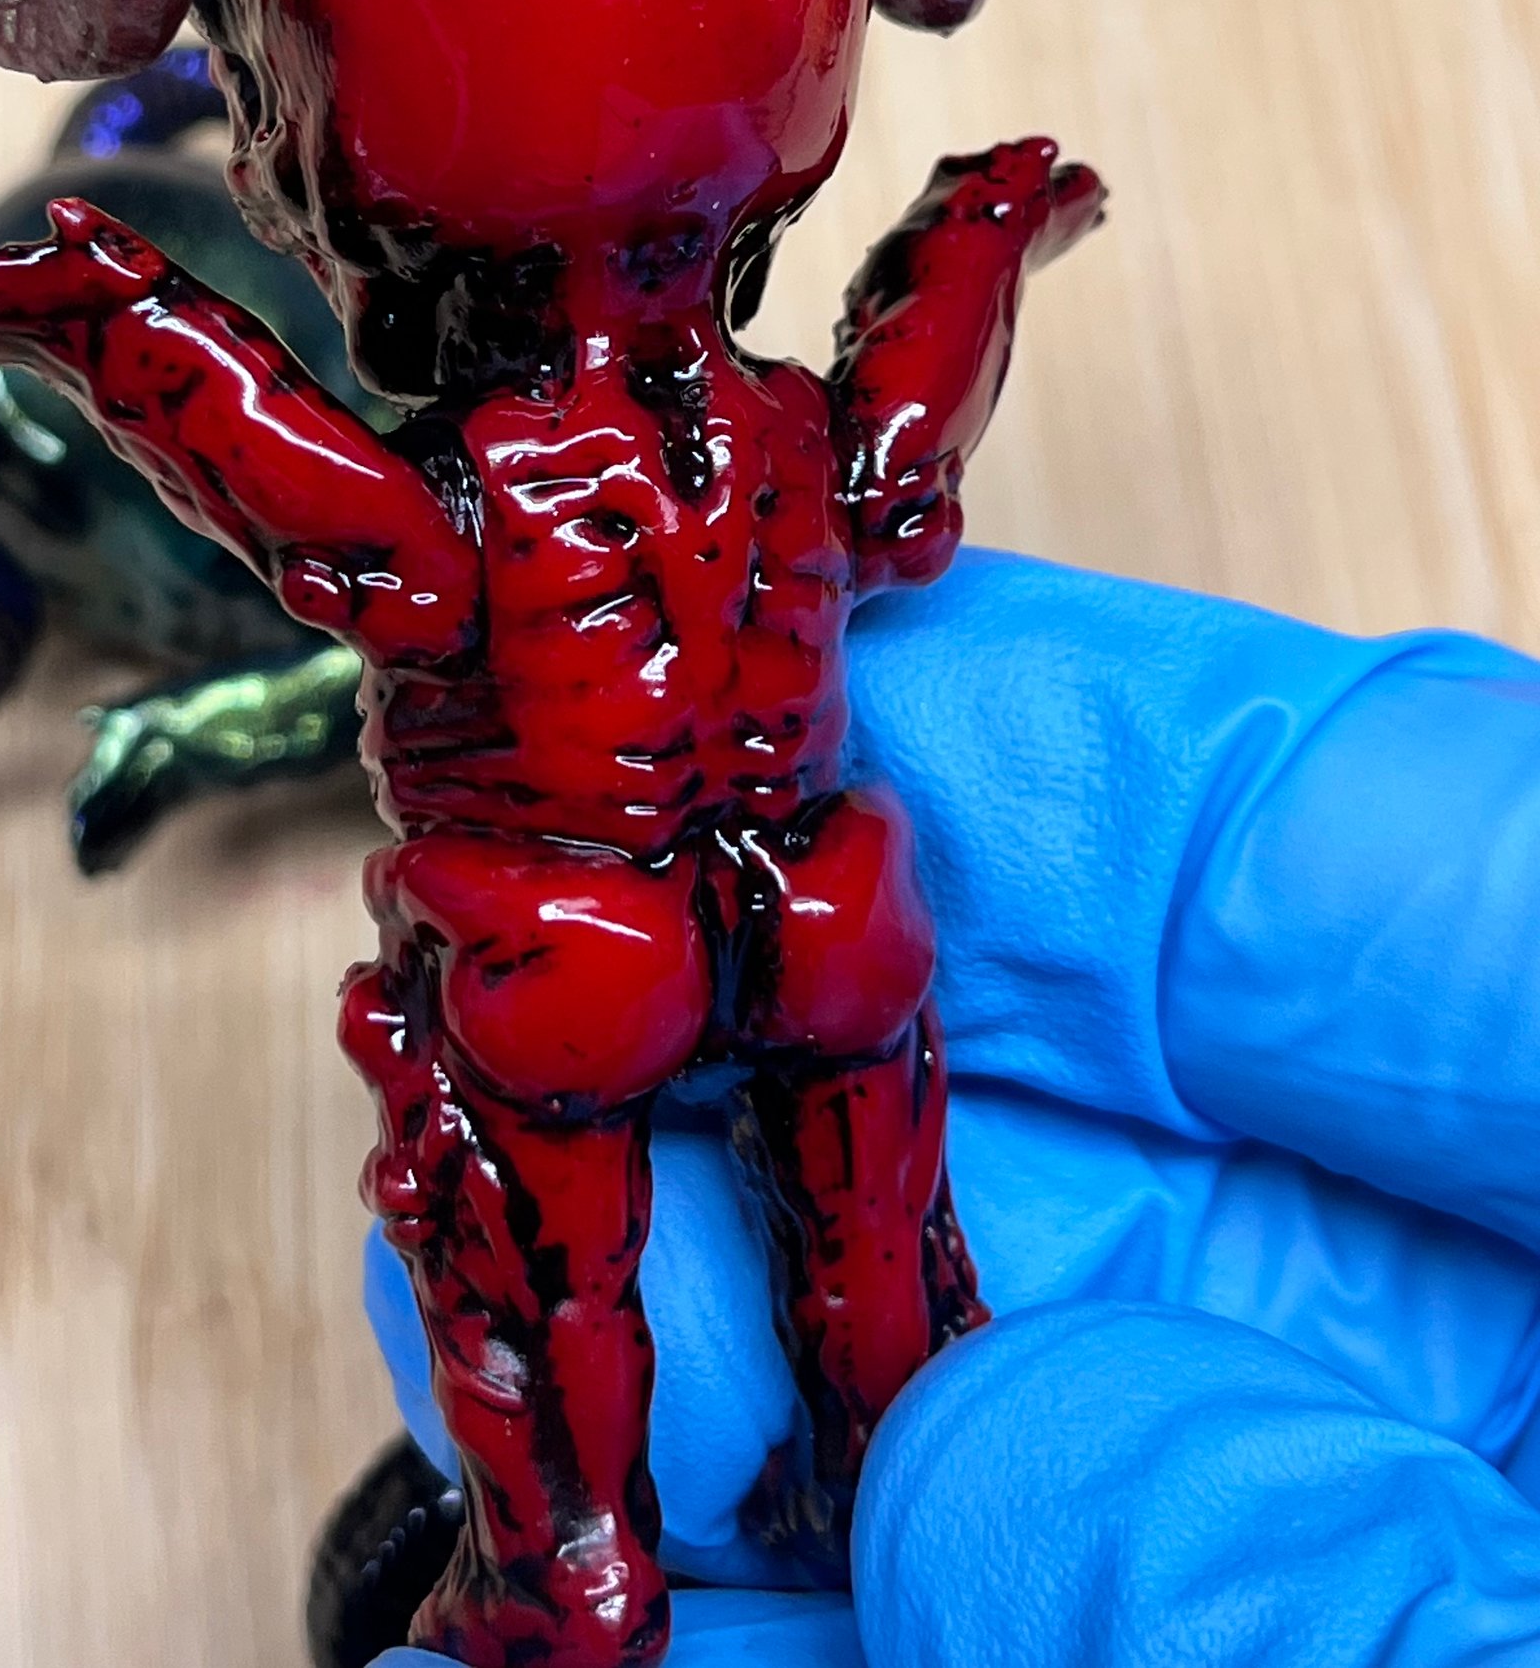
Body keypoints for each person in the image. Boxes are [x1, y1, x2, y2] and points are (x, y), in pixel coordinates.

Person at [366, 547, 1540, 1665]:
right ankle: (589, 1559)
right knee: (785, 1238)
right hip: (757, 888)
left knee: (692, 1262)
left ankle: (577, 1565)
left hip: (653, 910)